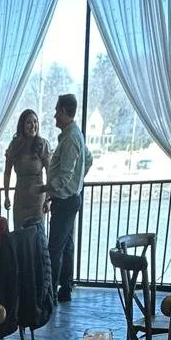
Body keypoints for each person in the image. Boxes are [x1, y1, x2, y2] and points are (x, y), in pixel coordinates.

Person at [45, 94, 93, 303]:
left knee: (55, 248)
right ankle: (65, 288)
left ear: (64, 111)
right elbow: (88, 159)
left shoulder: (71, 137)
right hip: (71, 198)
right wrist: (77, 180)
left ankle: (51, 294)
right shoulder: (74, 134)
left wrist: (47, 188)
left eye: (57, 111)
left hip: (65, 200)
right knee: (67, 246)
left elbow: (65, 174)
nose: (55, 115)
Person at [3, 109, 50, 230]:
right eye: (29, 122)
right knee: (20, 232)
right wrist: (6, 196)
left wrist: (48, 199)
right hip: (20, 197)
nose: (33, 125)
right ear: (22, 125)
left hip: (38, 199)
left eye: (35, 122)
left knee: (37, 233)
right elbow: (7, 173)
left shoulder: (42, 144)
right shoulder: (14, 146)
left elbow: (50, 173)